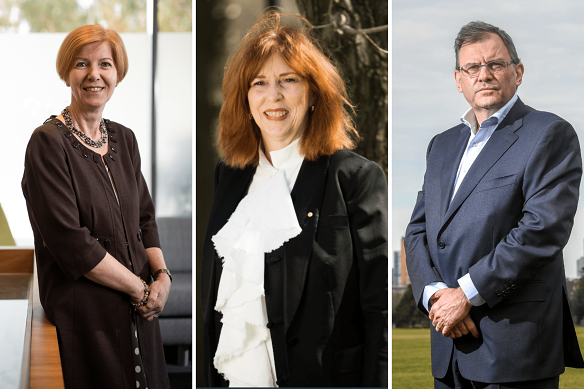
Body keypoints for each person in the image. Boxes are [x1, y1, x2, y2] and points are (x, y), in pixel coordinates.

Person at [201, 9, 388, 387]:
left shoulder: (355, 177)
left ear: (314, 92)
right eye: (259, 83)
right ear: (245, 98)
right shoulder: (229, 177)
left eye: (289, 80)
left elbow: (379, 309)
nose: (274, 96)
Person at [405, 21, 584, 388]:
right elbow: (418, 231)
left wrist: (466, 295)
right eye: (472, 67)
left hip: (513, 347)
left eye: (496, 65)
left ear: (517, 73)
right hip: (449, 342)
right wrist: (437, 296)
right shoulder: (441, 146)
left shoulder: (548, 133)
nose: (483, 75)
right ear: (459, 79)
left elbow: (541, 230)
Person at [22, 25, 171, 389]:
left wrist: (163, 276)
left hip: (141, 314)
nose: (94, 74)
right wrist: (139, 289)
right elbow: (72, 243)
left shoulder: (125, 138)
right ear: (66, 73)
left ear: (117, 74)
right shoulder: (47, 144)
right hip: (88, 320)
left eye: (105, 64)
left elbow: (145, 219)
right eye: (81, 64)